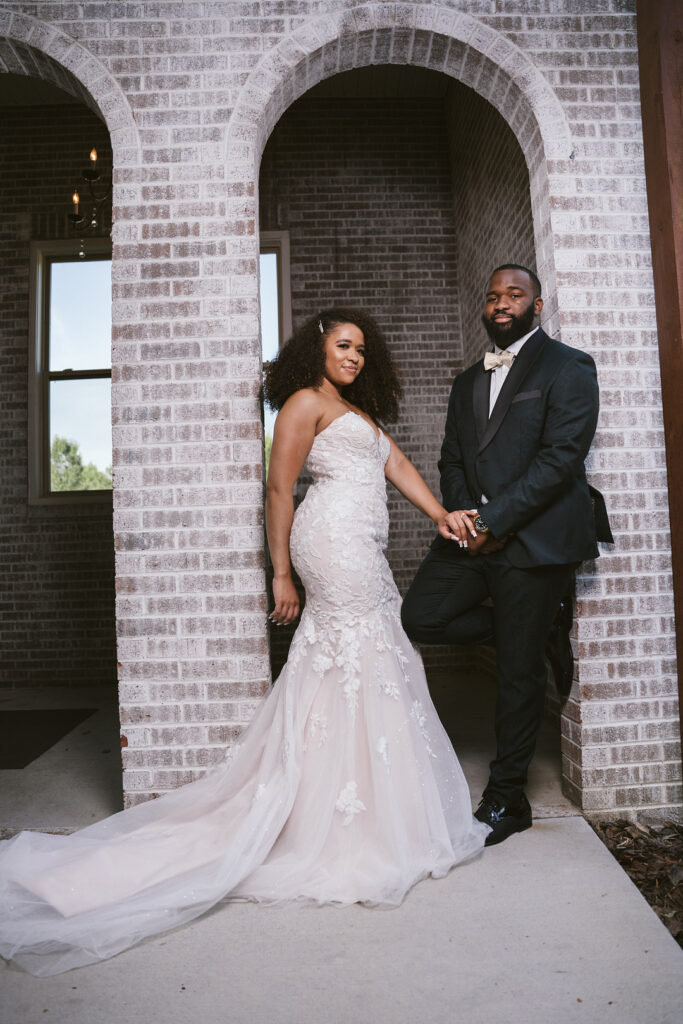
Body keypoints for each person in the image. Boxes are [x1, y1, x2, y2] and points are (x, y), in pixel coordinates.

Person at [0, 309, 489, 977]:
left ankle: (358, 810)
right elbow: (278, 488)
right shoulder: (301, 402)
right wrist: (282, 571)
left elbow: (395, 463)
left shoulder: (352, 409)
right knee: (359, 657)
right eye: (343, 346)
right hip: (330, 548)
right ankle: (336, 823)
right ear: (314, 347)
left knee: (367, 664)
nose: (354, 357)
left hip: (365, 548)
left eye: (361, 350)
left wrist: (440, 515)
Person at [401, 265, 602, 847]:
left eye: (514, 294)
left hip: (534, 540)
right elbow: (451, 460)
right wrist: (465, 516)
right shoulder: (466, 383)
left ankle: (507, 799)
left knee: (516, 676)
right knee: (423, 616)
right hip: (475, 537)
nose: (501, 303)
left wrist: (494, 520)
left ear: (537, 306)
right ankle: (532, 633)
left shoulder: (569, 366)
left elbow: (560, 460)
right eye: (492, 297)